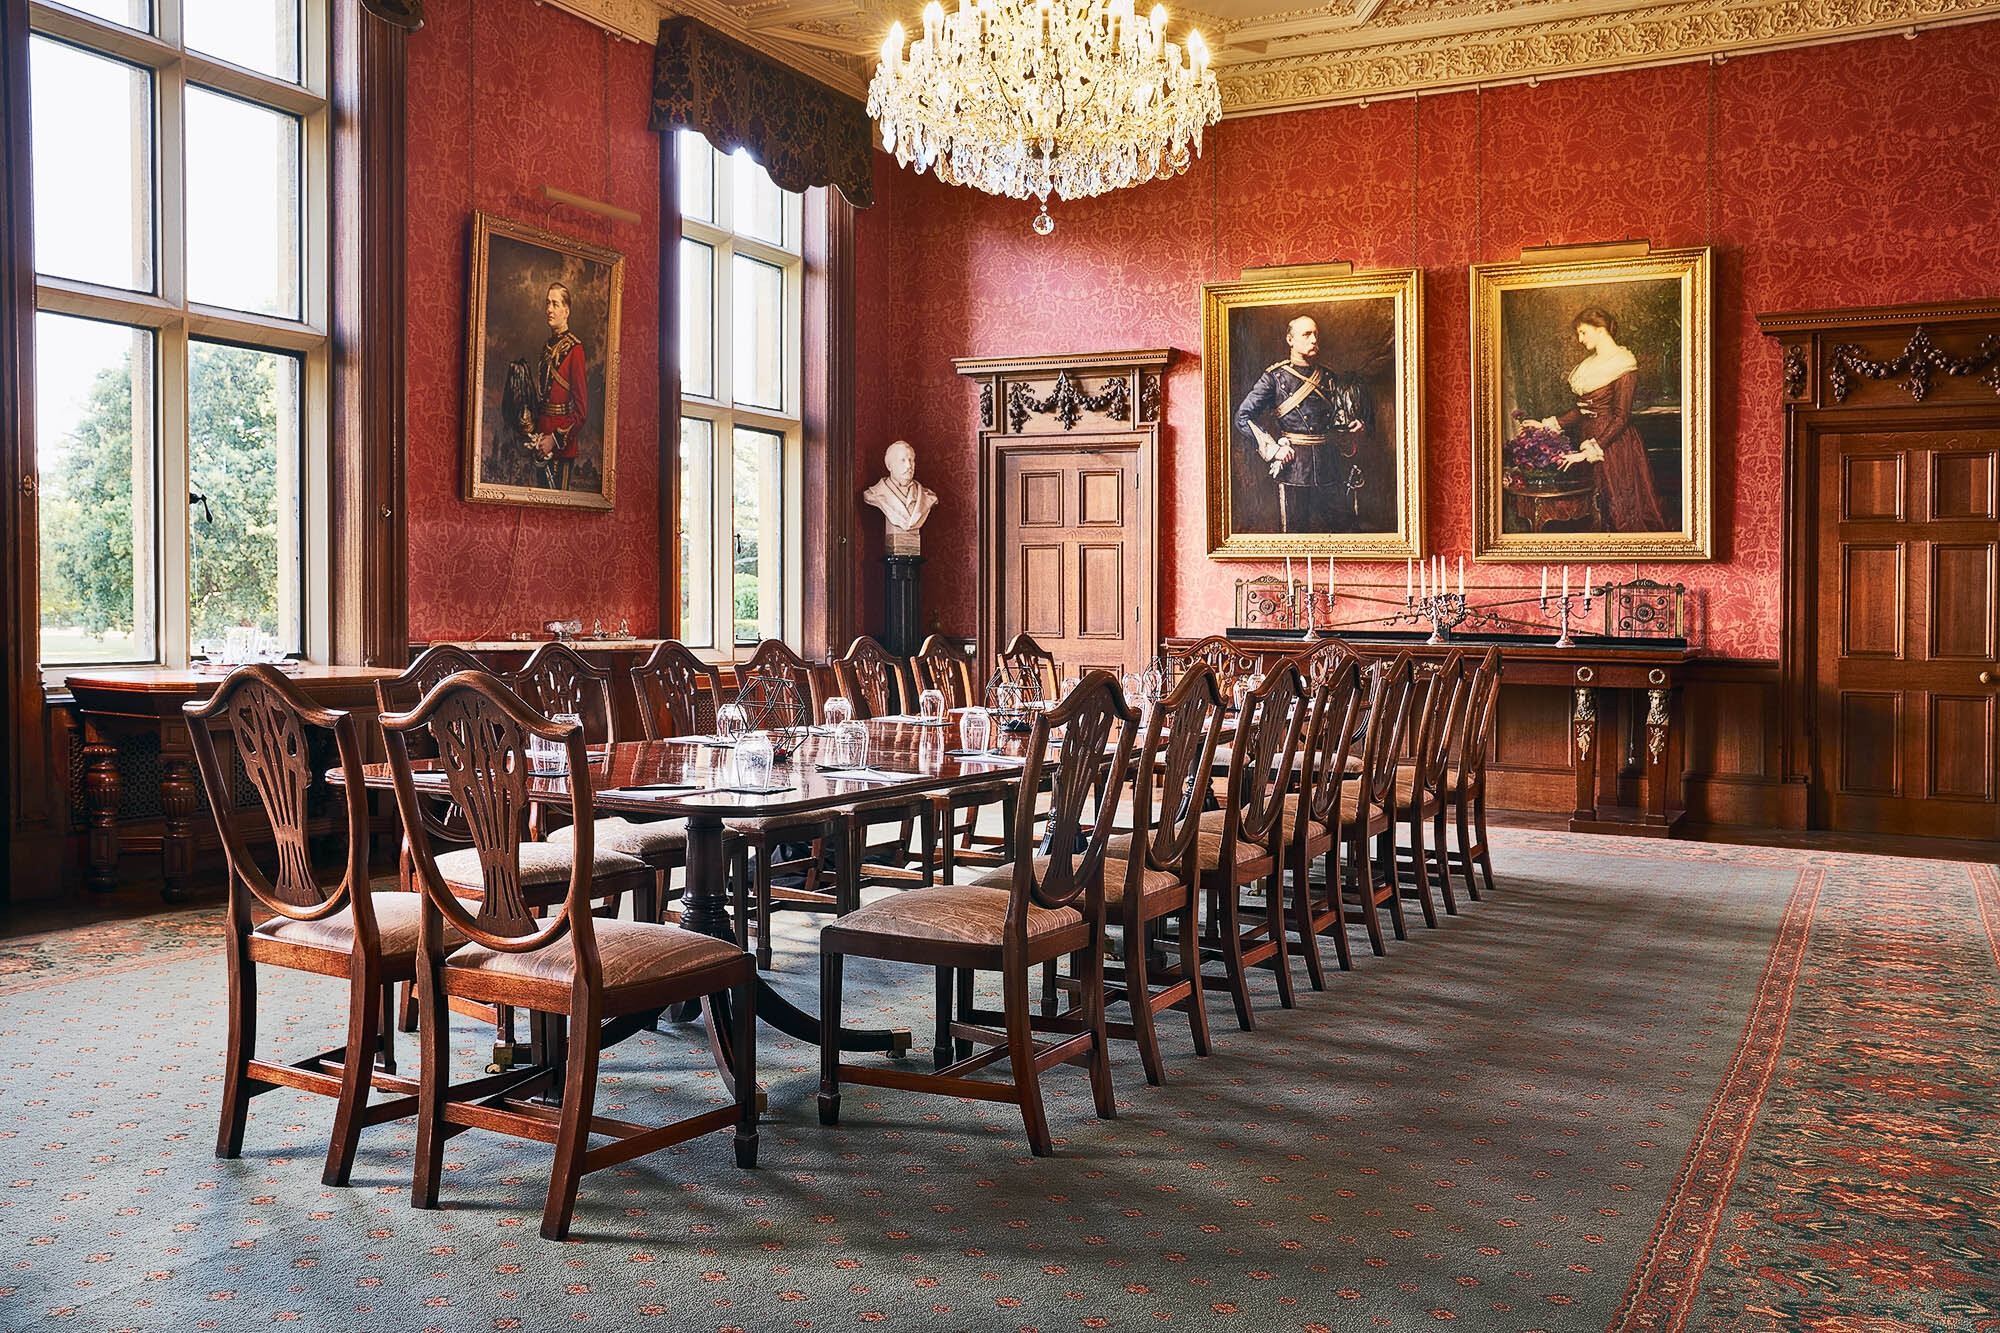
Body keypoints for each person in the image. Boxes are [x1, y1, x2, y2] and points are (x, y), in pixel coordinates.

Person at [1232, 315, 1374, 534]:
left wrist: (1354, 427)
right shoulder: (1274, 379)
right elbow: (1243, 416)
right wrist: (1274, 449)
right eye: (1306, 334)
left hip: (1330, 469)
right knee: (1295, 540)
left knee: (1348, 535)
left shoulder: (1329, 378)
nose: (1314, 339)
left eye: (1316, 334)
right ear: (1290, 340)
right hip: (1294, 471)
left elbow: (1340, 420)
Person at [1541, 306, 1666, 532]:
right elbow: (1582, 410)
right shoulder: (1588, 366)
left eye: (1583, 332)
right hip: (1587, 437)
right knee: (1591, 511)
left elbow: (1621, 417)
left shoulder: (1623, 363)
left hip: (1614, 444)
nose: (1579, 339)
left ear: (1600, 330)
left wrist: (1590, 451)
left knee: (1621, 513)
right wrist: (1547, 425)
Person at [525, 282, 588, 491]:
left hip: (561, 444)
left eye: (555, 304)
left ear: (566, 311)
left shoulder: (575, 349)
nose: (548, 309)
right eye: (547, 303)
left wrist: (554, 439)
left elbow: (581, 412)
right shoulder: (546, 348)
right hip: (540, 439)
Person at [861, 439, 939, 555]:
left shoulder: (928, 497)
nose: (909, 466)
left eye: (911, 460)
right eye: (902, 460)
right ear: (889, 466)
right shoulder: (875, 494)